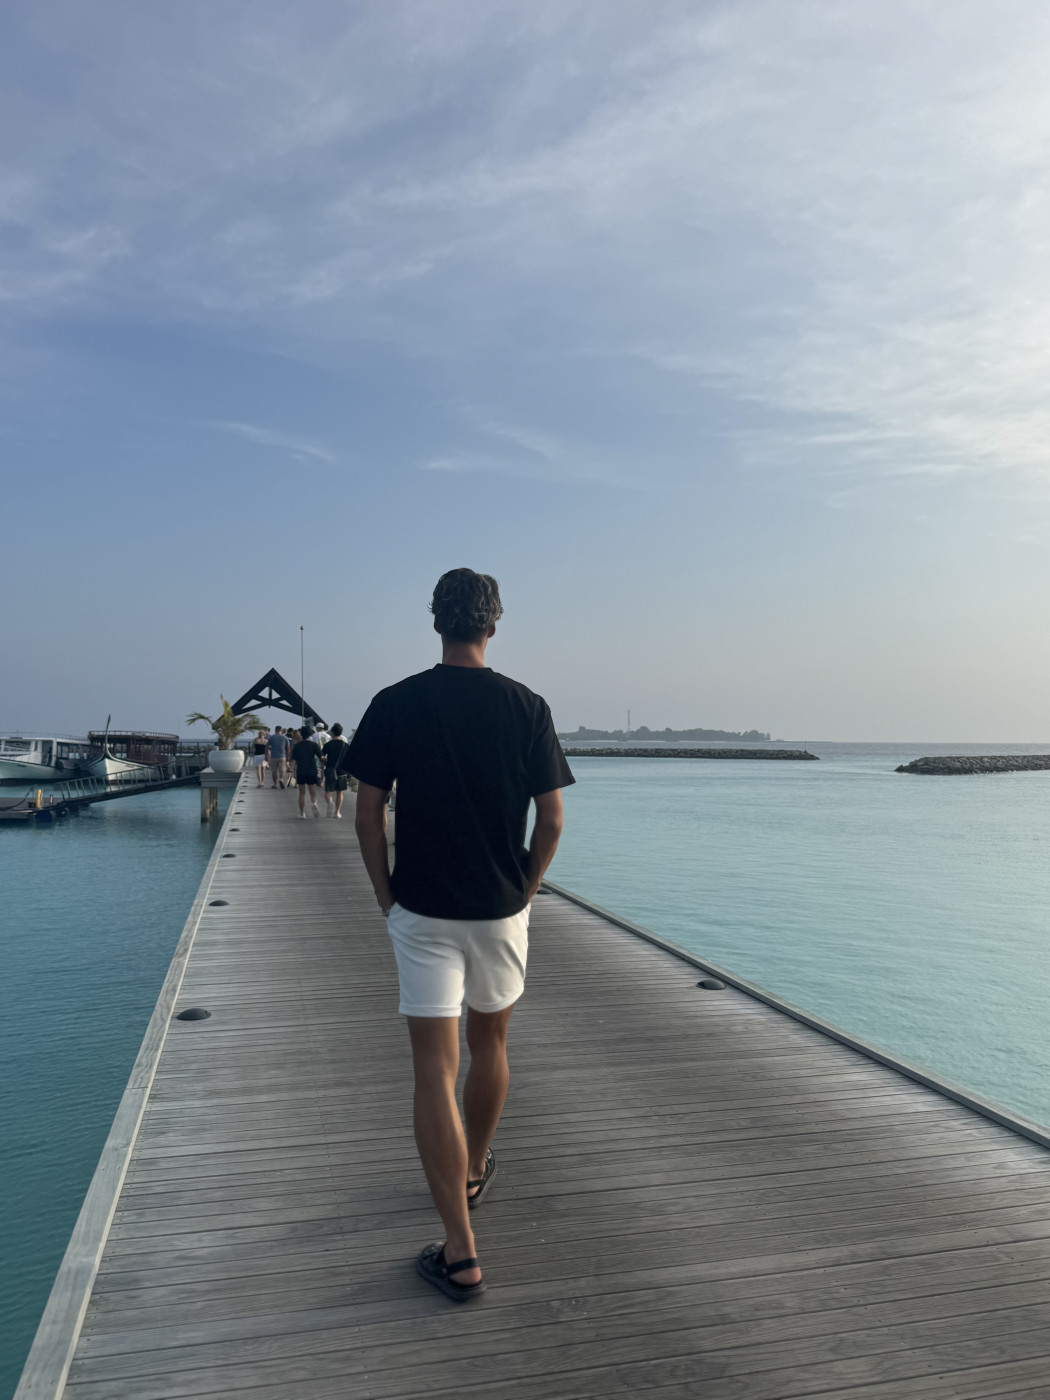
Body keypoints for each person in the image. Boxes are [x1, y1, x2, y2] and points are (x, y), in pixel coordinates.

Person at [347, 568, 573, 1302]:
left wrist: (386, 897)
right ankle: (474, 1167)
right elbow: (553, 820)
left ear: (436, 623)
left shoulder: (395, 703)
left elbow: (367, 814)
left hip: (423, 911)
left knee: (432, 1071)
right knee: (491, 1045)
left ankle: (461, 1250)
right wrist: (525, 892)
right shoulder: (527, 706)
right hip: (500, 909)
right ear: (493, 626)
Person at [290, 726, 323, 818]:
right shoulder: (314, 745)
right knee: (313, 792)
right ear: (310, 734)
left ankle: (302, 813)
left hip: (301, 771)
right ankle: (314, 803)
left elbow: (293, 760)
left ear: (301, 734)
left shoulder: (297, 746)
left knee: (302, 793)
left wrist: (291, 770)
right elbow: (321, 758)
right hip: (312, 771)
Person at [321, 723, 350, 818]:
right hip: (342, 771)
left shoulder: (328, 745)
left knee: (328, 791)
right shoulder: (345, 745)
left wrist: (325, 762)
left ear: (332, 732)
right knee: (339, 792)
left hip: (330, 770)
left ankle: (330, 803)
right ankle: (337, 812)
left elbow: (322, 757)